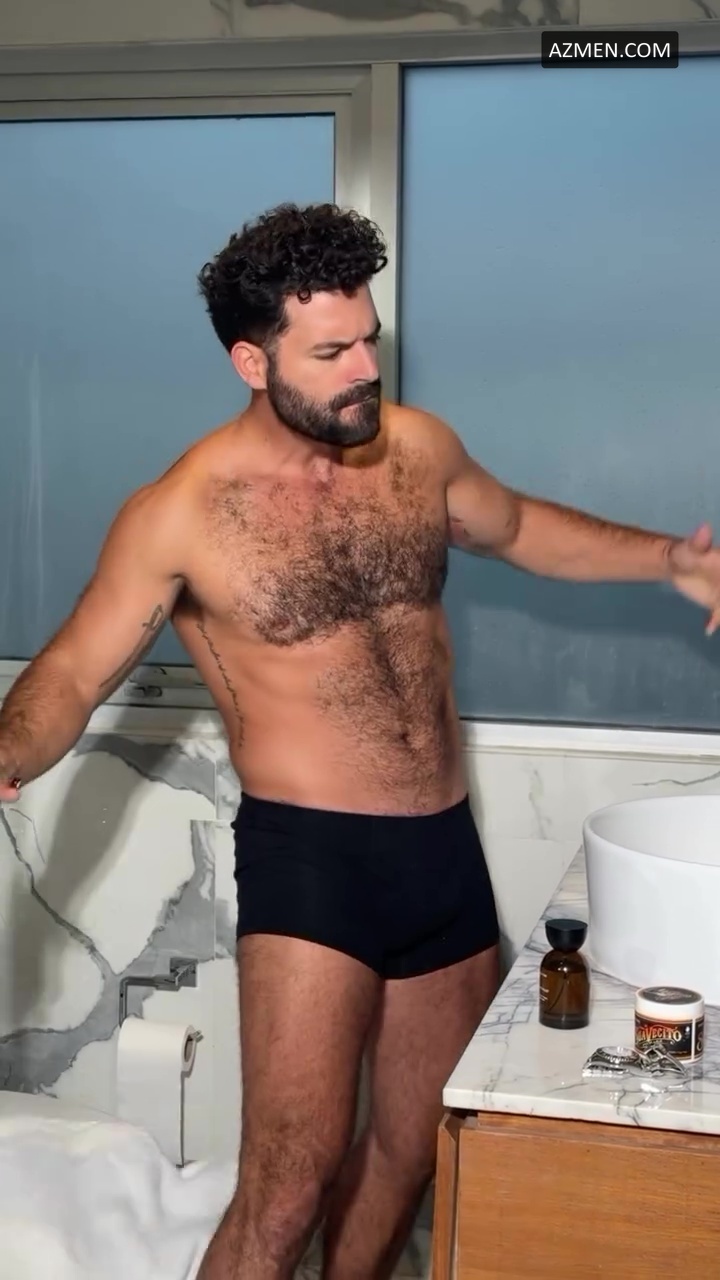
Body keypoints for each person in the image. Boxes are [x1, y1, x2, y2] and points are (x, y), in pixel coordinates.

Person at [1, 202, 719, 1280]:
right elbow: (69, 672)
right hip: (312, 859)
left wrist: (671, 560)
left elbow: (521, 527)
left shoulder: (417, 451)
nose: (366, 370)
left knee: (413, 1148)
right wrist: (8, 748)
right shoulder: (181, 513)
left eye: (369, 339)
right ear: (252, 362)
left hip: (442, 850)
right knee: (289, 1181)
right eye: (331, 353)